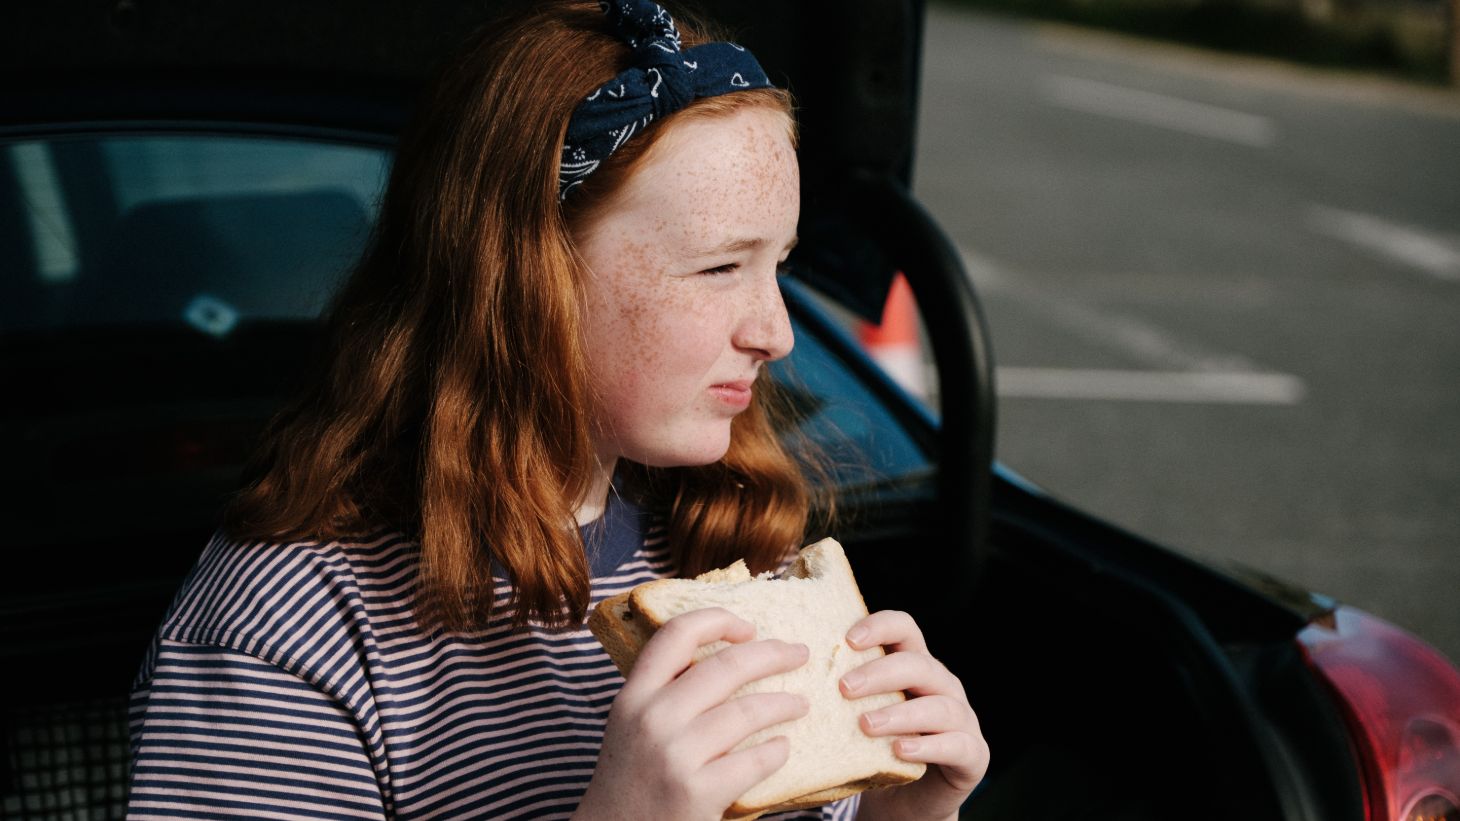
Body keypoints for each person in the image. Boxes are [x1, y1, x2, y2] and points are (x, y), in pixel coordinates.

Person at [124, 1, 989, 818]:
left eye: (779, 267)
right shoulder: (289, 626)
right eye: (720, 269)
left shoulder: (728, 545)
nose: (776, 333)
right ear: (525, 282)